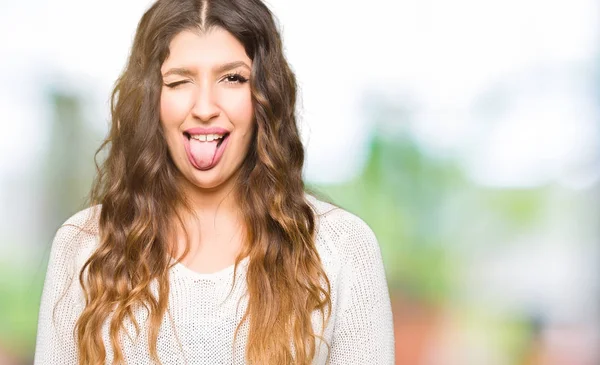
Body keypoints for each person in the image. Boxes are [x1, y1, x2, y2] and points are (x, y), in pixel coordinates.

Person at [34, 0, 395, 363]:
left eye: (232, 78)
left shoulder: (342, 249)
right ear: (150, 100)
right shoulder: (84, 246)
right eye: (179, 81)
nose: (205, 107)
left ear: (264, 96)